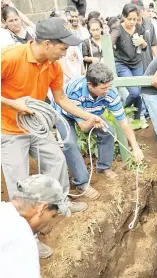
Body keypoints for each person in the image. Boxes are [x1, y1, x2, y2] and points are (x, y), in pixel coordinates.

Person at [1, 17, 107, 255]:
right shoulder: (10, 57)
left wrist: (87, 115)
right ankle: (27, 236)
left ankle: (60, 201)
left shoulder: (53, 66)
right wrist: (13, 104)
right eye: (63, 47)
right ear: (47, 43)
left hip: (37, 126)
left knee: (56, 160)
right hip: (9, 129)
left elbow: (61, 99)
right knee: (20, 184)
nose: (66, 53)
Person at [54, 63, 144, 200]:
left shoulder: (110, 93)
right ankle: (82, 183)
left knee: (107, 130)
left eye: (109, 86)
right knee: (71, 144)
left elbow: (123, 122)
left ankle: (103, 167)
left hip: (91, 113)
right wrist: (92, 120)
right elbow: (83, 127)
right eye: (103, 88)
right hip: (65, 113)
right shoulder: (75, 91)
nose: (107, 90)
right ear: (90, 85)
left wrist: (135, 146)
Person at [0, 175, 70, 278]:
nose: (50, 221)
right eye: (52, 215)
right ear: (42, 208)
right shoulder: (22, 239)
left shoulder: (3, 210)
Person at [111, 4, 147, 121]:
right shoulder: (117, 29)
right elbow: (110, 43)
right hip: (122, 63)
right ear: (124, 17)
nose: (132, 22)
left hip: (136, 62)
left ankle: (137, 118)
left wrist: (142, 42)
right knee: (134, 92)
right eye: (129, 19)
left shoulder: (139, 28)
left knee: (139, 92)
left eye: (134, 19)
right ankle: (121, 111)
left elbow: (144, 47)